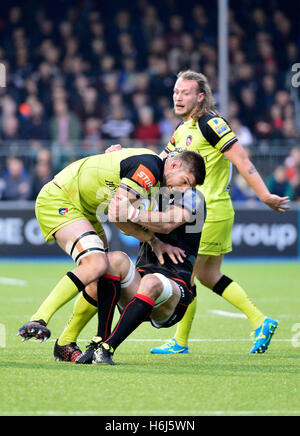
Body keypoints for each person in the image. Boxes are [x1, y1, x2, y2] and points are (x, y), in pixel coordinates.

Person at [107, 70, 289, 355]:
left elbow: (241, 159)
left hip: (208, 211)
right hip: (196, 213)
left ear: (200, 96)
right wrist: (121, 155)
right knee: (207, 274)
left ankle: (181, 340)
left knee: (187, 274)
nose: (178, 97)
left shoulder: (211, 123)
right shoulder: (182, 129)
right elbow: (159, 161)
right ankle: (259, 320)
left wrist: (264, 195)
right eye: (176, 92)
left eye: (186, 93)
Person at [17, 147, 205, 343]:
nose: (183, 190)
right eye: (185, 182)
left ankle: (65, 343)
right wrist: (144, 228)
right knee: (96, 264)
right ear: (174, 165)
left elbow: (122, 218)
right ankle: (38, 319)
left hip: (86, 209)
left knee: (103, 277)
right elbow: (118, 213)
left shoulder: (152, 170)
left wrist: (151, 239)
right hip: (62, 198)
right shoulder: (149, 170)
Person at [72, 182, 206, 365]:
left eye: (187, 181)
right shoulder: (150, 191)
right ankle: (98, 341)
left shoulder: (194, 197)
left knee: (153, 282)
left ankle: (108, 348)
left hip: (174, 290)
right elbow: (116, 216)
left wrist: (132, 212)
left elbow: (168, 223)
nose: (184, 186)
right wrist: (150, 238)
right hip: (140, 281)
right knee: (112, 260)